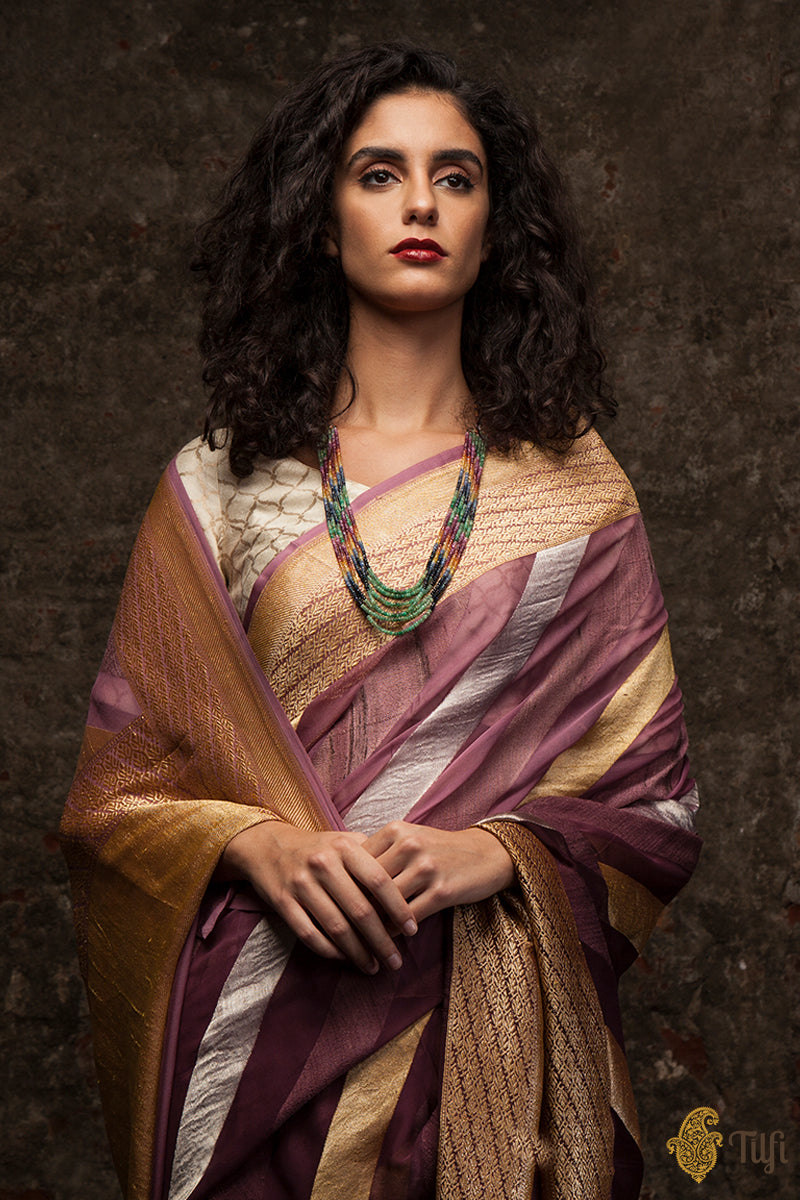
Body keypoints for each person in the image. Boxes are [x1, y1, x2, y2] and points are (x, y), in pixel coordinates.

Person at [61, 42, 701, 1200]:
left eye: (455, 177)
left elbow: (652, 806)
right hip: (263, 1051)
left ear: (494, 229)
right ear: (321, 222)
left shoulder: (576, 496)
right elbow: (121, 794)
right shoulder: (219, 489)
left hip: (490, 1060)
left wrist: (497, 853)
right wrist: (253, 844)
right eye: (377, 174)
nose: (419, 203)